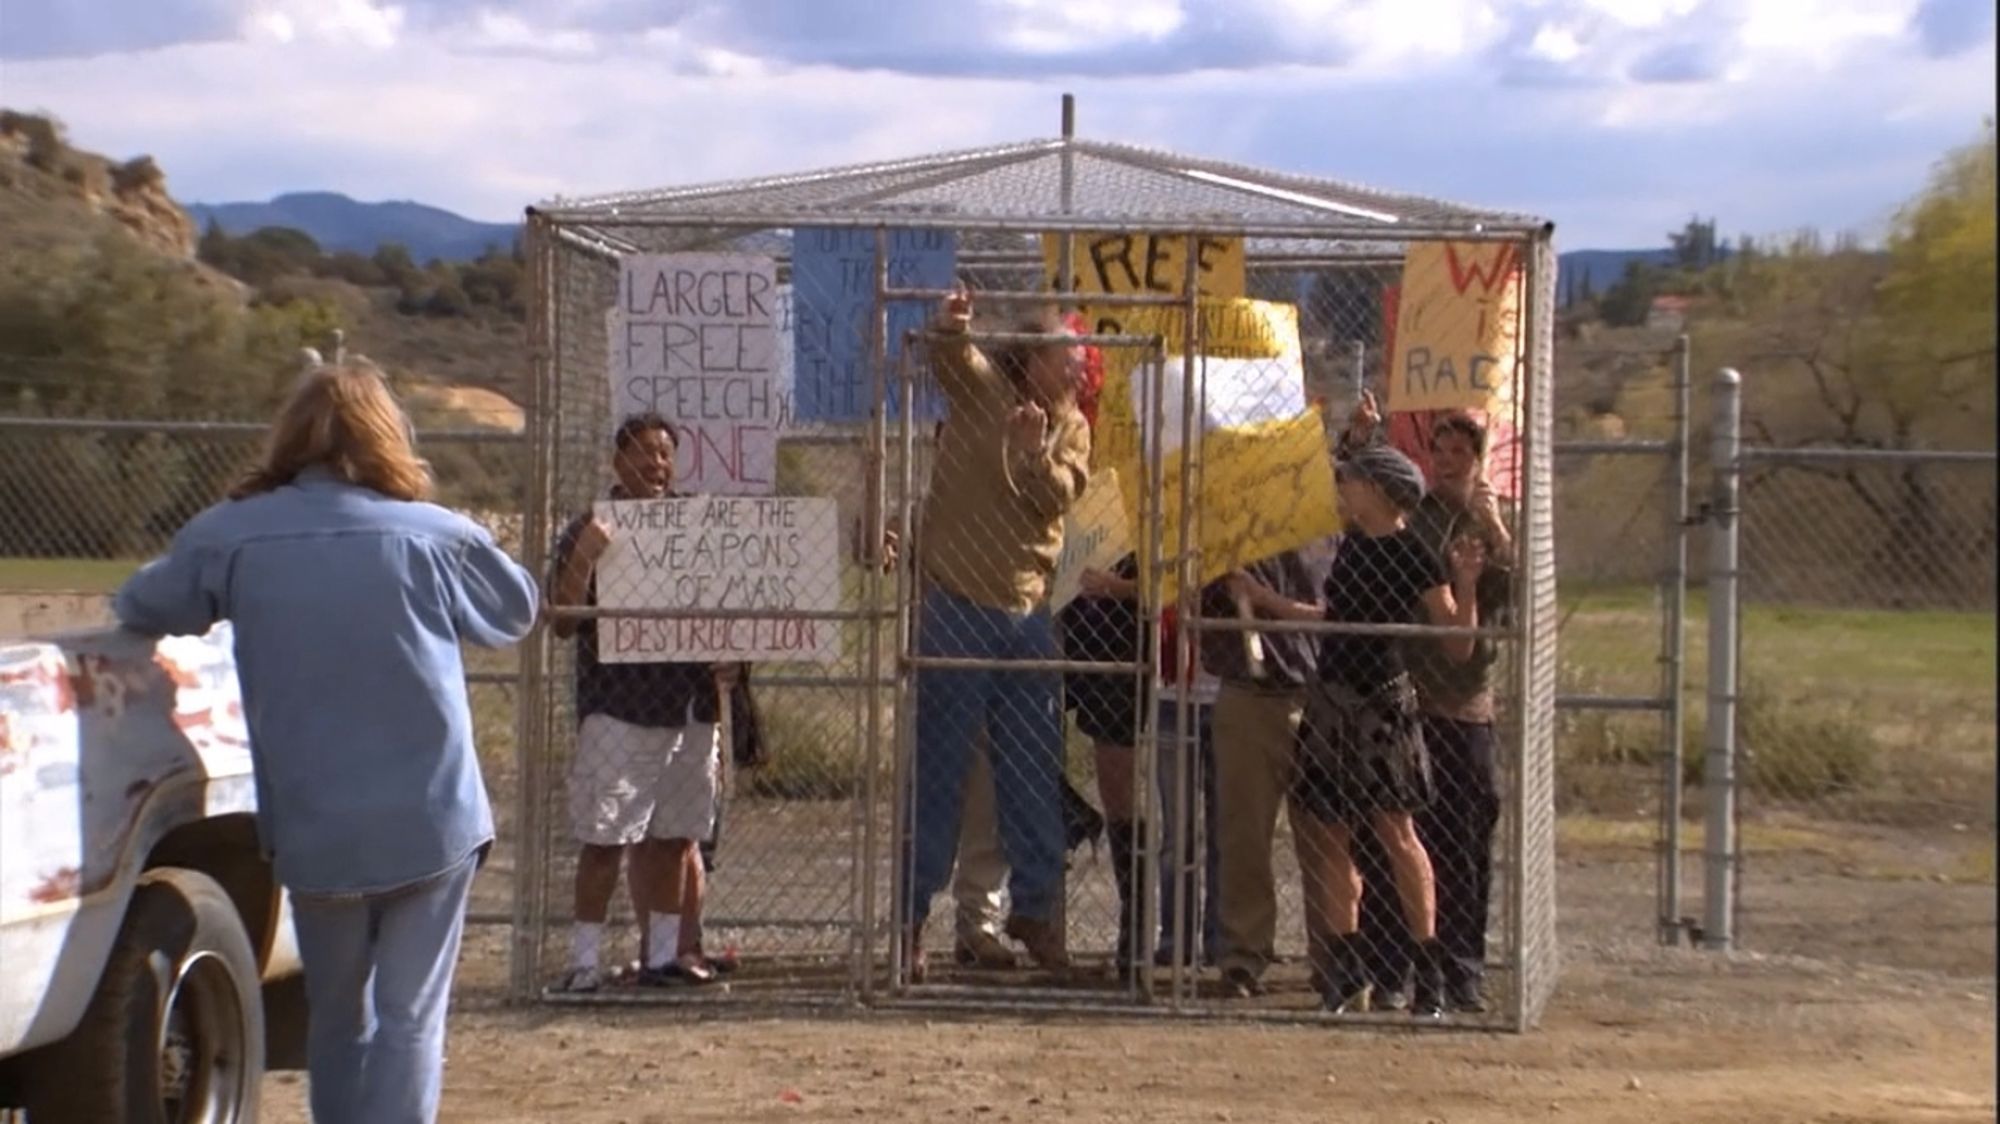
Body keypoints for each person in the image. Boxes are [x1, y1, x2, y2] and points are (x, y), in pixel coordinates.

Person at [112, 358, 539, 1124]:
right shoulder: (436, 536)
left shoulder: (232, 536)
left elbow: (144, 602)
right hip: (431, 816)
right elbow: (514, 611)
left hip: (317, 823)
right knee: (411, 1016)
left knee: (337, 1014)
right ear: (387, 437)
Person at [1227, 442, 1484, 1018]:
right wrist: (1266, 600)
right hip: (1331, 701)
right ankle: (1346, 971)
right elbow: (1335, 620)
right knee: (1332, 836)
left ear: (1381, 490)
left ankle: (1430, 970)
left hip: (1380, 707)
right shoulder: (1349, 548)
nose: (1343, 488)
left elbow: (1457, 642)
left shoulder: (1413, 553)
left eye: (1353, 481)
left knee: (1397, 835)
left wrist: (1466, 585)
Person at [903, 286, 1091, 981]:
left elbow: (1058, 498)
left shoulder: (1072, 426)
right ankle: (909, 918)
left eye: (1078, 360)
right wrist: (952, 324)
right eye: (1064, 357)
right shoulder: (984, 390)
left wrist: (1033, 452)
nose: (1076, 370)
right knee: (941, 770)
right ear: (1030, 360)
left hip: (1027, 612)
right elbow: (952, 358)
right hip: (957, 604)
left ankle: (1037, 911)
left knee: (1032, 770)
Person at [549, 412, 739, 991]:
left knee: (676, 836)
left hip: (689, 707)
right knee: (606, 839)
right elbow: (560, 619)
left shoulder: (693, 527)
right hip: (620, 708)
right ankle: (583, 964)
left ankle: (661, 957)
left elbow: (730, 607)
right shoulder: (590, 526)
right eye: (644, 453)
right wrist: (586, 554)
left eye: (665, 454)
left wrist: (732, 658)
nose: (656, 465)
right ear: (618, 462)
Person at [1346, 404, 1514, 1014]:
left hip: (1465, 702)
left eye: (1459, 454)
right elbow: (1368, 527)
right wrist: (1360, 441)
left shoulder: (1491, 522)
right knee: (1391, 837)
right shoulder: (1416, 519)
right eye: (1438, 452)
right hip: (1408, 697)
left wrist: (1492, 526)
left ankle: (1461, 966)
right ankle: (1390, 965)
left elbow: (1516, 585)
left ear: (1478, 459)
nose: (1446, 463)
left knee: (1461, 844)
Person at [1203, 543, 1335, 999]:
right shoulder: (1227, 531)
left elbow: (1338, 611)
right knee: (1244, 834)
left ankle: (1333, 955)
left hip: (1319, 693)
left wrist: (1265, 598)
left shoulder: (1333, 529)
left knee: (1326, 835)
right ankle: (1244, 954)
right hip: (1248, 695)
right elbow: (1185, 606)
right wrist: (1219, 578)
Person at [1059, 553, 1147, 977]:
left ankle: (1145, 924)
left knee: (1133, 793)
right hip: (1085, 637)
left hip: (1137, 641)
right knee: (1115, 791)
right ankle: (1135, 921)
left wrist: (1118, 586)